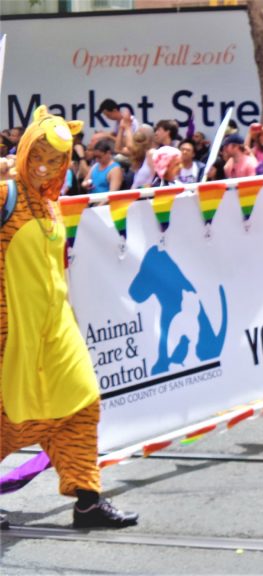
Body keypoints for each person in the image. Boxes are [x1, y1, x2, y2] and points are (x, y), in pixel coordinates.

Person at [0, 106, 139, 530]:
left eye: (56, 160)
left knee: (81, 404)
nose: (46, 167)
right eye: (38, 156)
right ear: (24, 153)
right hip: (11, 333)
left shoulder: (50, 203)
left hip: (56, 331)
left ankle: (87, 500)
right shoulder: (5, 194)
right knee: (7, 420)